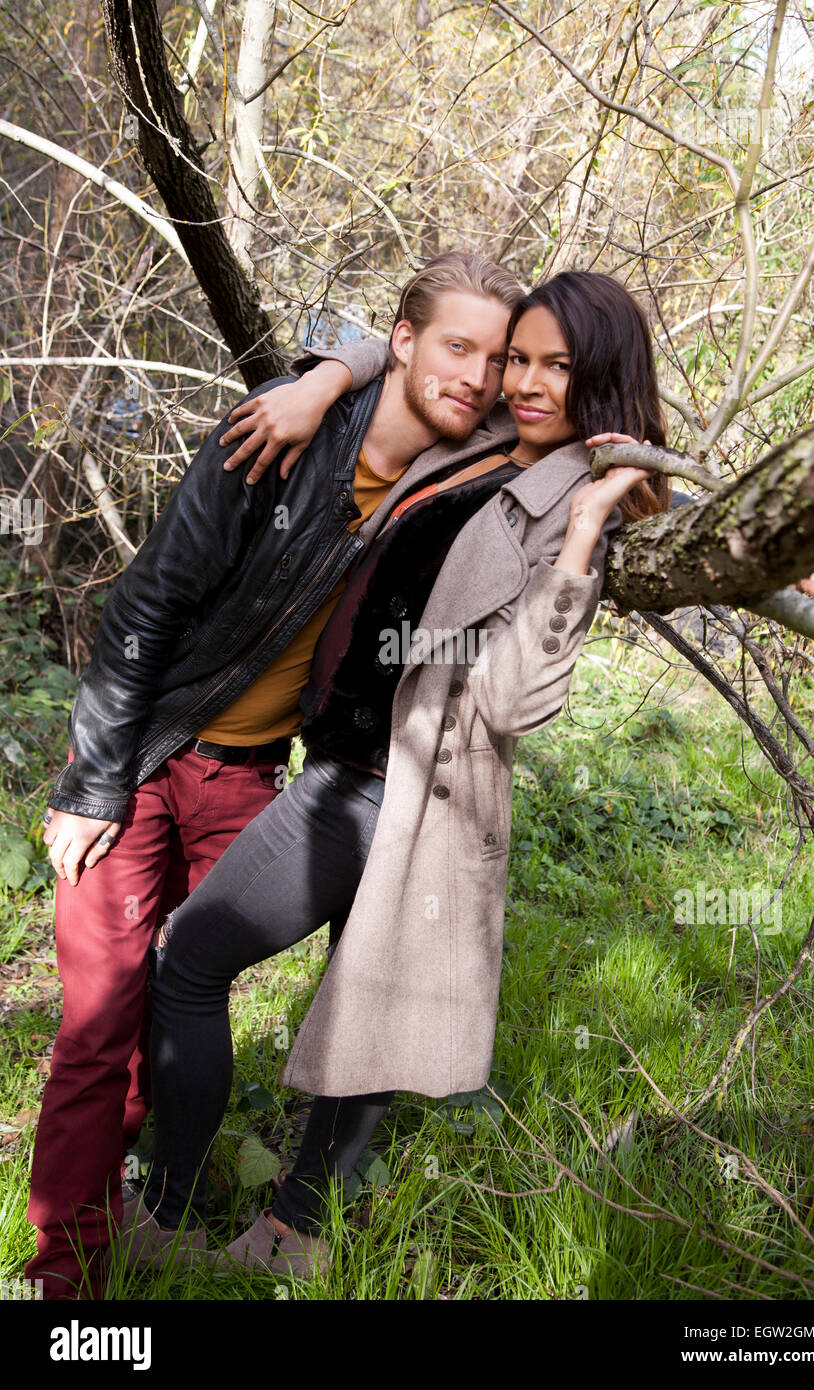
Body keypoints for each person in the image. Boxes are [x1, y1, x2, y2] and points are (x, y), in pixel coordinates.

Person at [127, 271, 669, 1281]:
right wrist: (333, 371)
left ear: (601, 377)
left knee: (194, 960)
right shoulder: (485, 439)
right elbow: (418, 350)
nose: (527, 380)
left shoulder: (570, 503)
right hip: (342, 756)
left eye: (558, 365)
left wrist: (589, 529)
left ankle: (182, 1209)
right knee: (355, 994)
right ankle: (279, 1226)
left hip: (399, 785)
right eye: (522, 358)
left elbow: (514, 702)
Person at [27, 251, 524, 1300]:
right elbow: (145, 608)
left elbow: (562, 422)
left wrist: (328, 368)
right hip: (146, 754)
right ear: (402, 341)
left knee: (178, 989)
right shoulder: (275, 439)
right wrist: (95, 781)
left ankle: (149, 1199)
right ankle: (66, 1283)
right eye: (454, 347)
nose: (475, 377)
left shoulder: (459, 465)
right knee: (98, 1019)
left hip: (256, 778)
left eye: (493, 357)